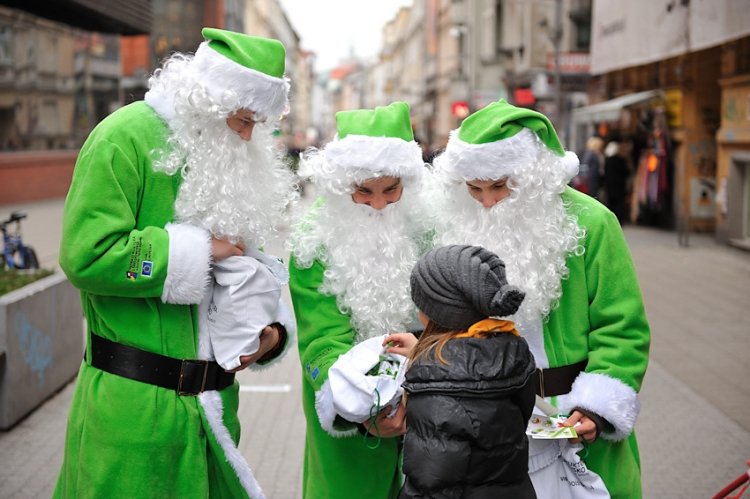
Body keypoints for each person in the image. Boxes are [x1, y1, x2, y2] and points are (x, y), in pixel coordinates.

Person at [55, 27, 297, 498]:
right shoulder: (122, 137)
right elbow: (86, 254)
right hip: (133, 415)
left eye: (256, 123)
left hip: (216, 414)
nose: (248, 134)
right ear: (205, 101)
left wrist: (269, 332)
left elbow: (246, 267)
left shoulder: (234, 155)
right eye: (240, 119)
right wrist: (195, 250)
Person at [429, 99, 651, 499]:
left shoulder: (593, 222)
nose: (487, 200)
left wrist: (597, 407)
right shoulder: (454, 222)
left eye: (500, 185)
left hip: (572, 411)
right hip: (486, 419)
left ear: (532, 176)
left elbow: (622, 327)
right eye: (474, 188)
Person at [287, 101, 432, 498]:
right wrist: (365, 410)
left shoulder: (431, 227)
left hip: (431, 417)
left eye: (391, 190)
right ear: (340, 186)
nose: (380, 204)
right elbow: (320, 340)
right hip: (350, 425)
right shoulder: (313, 240)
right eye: (363, 192)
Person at [384, 244, 536, 498]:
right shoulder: (513, 352)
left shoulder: (433, 387)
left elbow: (429, 482)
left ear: (435, 311)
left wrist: (425, 363)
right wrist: (423, 352)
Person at [604, 140, 630, 224]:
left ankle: (611, 220)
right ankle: (618, 220)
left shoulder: (607, 160)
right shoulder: (619, 160)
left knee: (611, 203)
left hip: (609, 186)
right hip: (619, 187)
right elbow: (626, 172)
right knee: (618, 204)